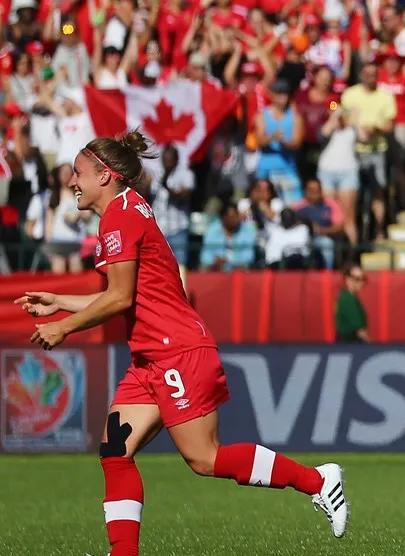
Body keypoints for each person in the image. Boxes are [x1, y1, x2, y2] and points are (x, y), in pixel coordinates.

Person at [16, 131, 349, 555]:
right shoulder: (123, 210)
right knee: (115, 450)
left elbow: (119, 298)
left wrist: (64, 327)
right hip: (151, 357)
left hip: (177, 350)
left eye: (78, 174)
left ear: (106, 175)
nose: (72, 182)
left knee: (204, 458)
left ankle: (319, 480)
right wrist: (60, 303)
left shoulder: (119, 217)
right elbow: (128, 294)